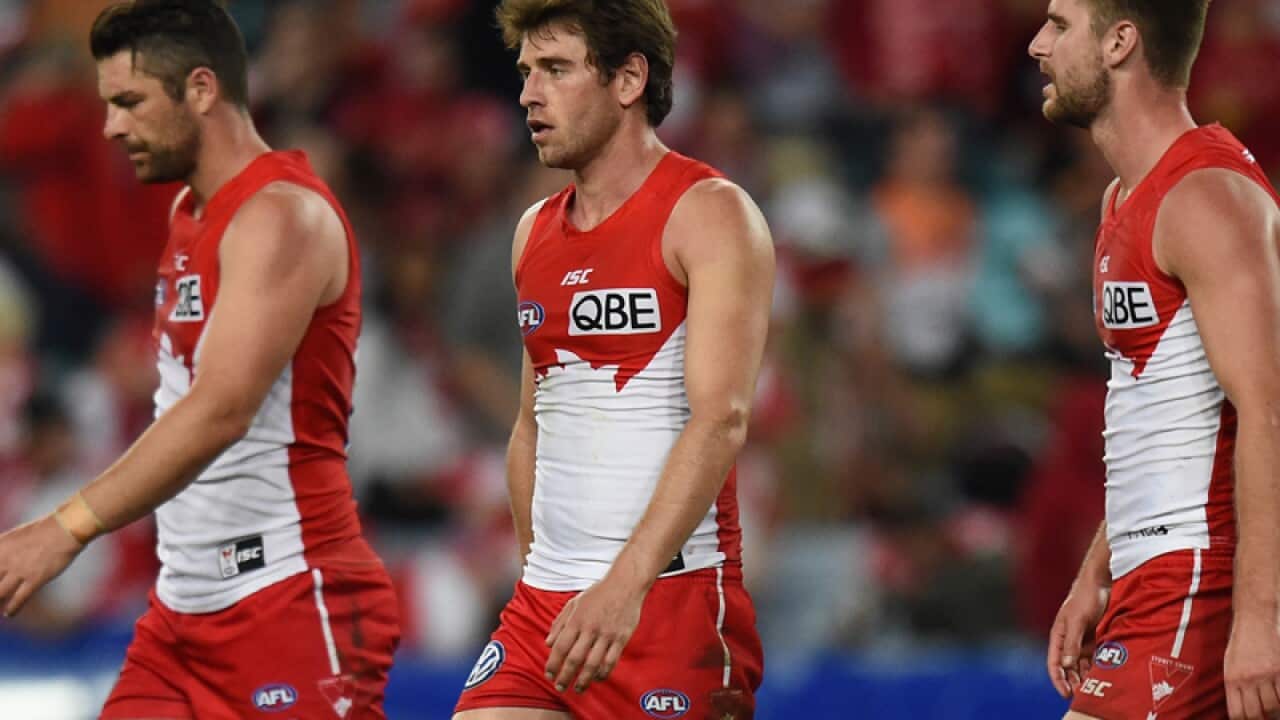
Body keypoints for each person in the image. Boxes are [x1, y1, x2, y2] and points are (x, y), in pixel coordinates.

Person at [0, 2, 401, 717]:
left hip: (287, 596)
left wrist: (65, 529)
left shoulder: (279, 216)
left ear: (202, 89)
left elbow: (220, 409)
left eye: (129, 102)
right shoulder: (190, 212)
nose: (110, 126)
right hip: (182, 611)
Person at [453, 1, 774, 719]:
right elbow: (532, 425)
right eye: (527, 71)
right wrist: (541, 576)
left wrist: (622, 586)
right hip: (547, 608)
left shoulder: (709, 213)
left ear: (629, 79)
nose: (528, 94)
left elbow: (721, 419)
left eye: (555, 69)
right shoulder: (532, 233)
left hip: (670, 604)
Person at [1029, 1, 1280, 719]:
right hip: (1155, 574)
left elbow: (1267, 411)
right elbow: (1158, 412)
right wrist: (1097, 573)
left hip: (1201, 576)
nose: (1037, 44)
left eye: (1060, 24)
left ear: (1120, 43)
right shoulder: (1125, 196)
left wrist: (1260, 619)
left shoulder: (1206, 199)